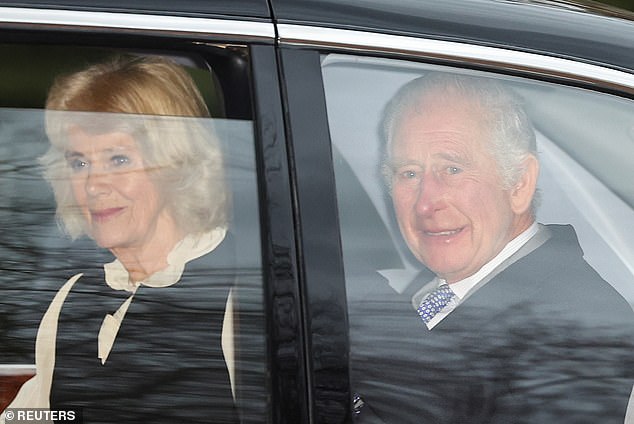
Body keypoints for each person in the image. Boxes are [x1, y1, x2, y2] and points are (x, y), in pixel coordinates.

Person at [350, 73, 634, 423]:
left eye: (452, 169)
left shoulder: (578, 334)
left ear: (519, 183)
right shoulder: (440, 292)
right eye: (409, 173)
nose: (426, 202)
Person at [2, 55, 238, 423]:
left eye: (118, 160)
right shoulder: (72, 297)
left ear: (174, 163)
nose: (94, 185)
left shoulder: (238, 298)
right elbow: (31, 417)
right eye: (79, 163)